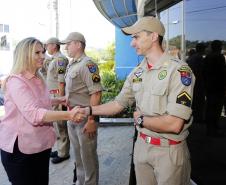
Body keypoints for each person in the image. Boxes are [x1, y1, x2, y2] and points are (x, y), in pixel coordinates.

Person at [79, 16, 195, 185]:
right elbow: (118, 103)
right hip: (141, 148)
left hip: (168, 152)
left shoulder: (179, 71)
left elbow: (174, 124)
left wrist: (140, 119)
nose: (132, 43)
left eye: (136, 37)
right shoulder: (137, 73)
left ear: (154, 36)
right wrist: (88, 110)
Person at [0, 37, 84, 185]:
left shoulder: (37, 78)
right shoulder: (16, 81)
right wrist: (69, 115)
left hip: (39, 145)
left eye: (43, 52)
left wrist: (58, 100)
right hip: (20, 150)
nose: (43, 56)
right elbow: (34, 113)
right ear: (24, 55)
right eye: (37, 53)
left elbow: (38, 102)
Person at [61, 32, 102, 185]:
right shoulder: (73, 64)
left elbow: (96, 94)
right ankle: (80, 181)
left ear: (78, 44)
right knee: (78, 156)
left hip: (85, 118)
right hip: (72, 116)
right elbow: (73, 91)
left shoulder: (87, 64)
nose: (65, 47)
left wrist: (91, 120)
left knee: (88, 157)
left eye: (68, 43)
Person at [45, 37, 71, 164]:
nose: (46, 47)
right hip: (53, 96)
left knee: (60, 125)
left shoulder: (60, 60)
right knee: (56, 124)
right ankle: (60, 148)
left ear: (54, 45)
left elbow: (61, 82)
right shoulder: (53, 60)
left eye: (47, 45)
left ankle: (64, 153)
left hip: (57, 96)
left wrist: (61, 101)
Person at [203, 40, 226, 137]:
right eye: (220, 46)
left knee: (210, 107)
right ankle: (214, 129)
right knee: (216, 108)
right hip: (218, 86)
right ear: (219, 47)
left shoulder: (208, 57)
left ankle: (210, 129)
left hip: (210, 86)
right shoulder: (219, 57)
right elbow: (222, 73)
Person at [187, 43, 206, 123]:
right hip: (198, 83)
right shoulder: (199, 57)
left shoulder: (191, 58)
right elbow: (201, 71)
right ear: (201, 49)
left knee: (195, 101)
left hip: (193, 82)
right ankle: (198, 118)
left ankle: (194, 117)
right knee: (199, 101)